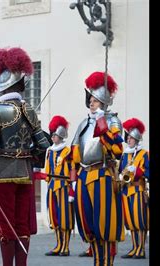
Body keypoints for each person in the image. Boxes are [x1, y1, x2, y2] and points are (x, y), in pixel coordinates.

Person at [0, 47, 50, 265]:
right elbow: (43, 145)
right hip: (25, 175)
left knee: (5, 225)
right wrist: (27, 155)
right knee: (22, 225)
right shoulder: (29, 110)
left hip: (1, 174)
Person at [70, 71, 125, 265]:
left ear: (103, 101)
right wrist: (74, 181)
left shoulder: (112, 121)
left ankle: (105, 263)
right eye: (90, 100)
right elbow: (74, 154)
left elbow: (118, 149)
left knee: (104, 225)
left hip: (103, 175)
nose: (91, 103)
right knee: (88, 225)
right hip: (84, 176)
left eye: (95, 100)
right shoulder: (83, 124)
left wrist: (103, 123)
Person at [43, 116, 75, 257]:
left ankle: (65, 246)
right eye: (52, 134)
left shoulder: (68, 151)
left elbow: (72, 169)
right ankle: (58, 244)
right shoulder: (49, 150)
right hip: (52, 185)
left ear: (61, 135)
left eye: (55, 135)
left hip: (64, 185)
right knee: (54, 216)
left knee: (65, 217)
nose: (53, 137)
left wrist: (72, 190)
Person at [119, 118, 149, 259]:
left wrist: (137, 170)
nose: (129, 140)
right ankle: (134, 247)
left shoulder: (143, 154)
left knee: (139, 222)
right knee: (130, 222)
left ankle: (141, 249)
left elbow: (148, 172)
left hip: (138, 191)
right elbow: (120, 171)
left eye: (131, 138)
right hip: (126, 191)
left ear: (137, 139)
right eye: (128, 137)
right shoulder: (125, 154)